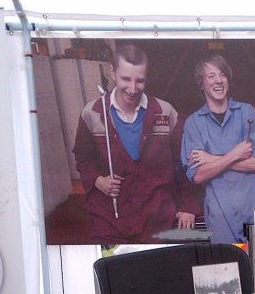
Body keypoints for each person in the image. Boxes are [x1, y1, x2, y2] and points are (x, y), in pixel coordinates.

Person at [73, 43, 201, 243]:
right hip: (109, 222)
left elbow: (184, 164)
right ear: (112, 72)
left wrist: (188, 206)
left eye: (140, 81)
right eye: (126, 79)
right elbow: (83, 159)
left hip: (158, 222)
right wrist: (99, 181)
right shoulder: (92, 114)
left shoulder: (165, 113)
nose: (133, 89)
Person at [181, 54, 255, 244]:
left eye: (222, 74)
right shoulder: (194, 124)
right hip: (220, 219)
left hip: (253, 212)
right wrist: (235, 154)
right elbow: (198, 175)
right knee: (227, 271)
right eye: (211, 76)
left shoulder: (247, 113)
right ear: (201, 83)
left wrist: (212, 158)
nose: (218, 80)